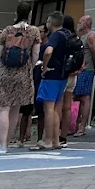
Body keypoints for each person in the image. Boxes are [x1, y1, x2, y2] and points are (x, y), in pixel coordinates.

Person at [0, 3, 41, 154]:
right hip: (23, 73)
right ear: (30, 14)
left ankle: (2, 145)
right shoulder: (34, 31)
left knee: (3, 108)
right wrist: (30, 67)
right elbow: (36, 54)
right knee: (15, 108)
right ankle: (8, 140)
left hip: (4, 72)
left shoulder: (7, 30)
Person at [34, 12, 68, 150]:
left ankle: (47, 140)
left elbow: (48, 51)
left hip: (52, 75)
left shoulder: (55, 36)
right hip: (62, 75)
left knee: (48, 108)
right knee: (55, 108)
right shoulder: (66, 35)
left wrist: (44, 66)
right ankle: (55, 140)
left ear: (50, 22)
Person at [72, 15, 95, 137]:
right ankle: (75, 124)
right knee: (76, 96)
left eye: (80, 22)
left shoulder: (91, 36)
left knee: (85, 97)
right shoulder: (83, 37)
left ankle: (82, 126)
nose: (78, 24)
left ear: (86, 24)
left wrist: (94, 67)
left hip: (86, 70)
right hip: (80, 70)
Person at [59, 14, 79, 144]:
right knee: (67, 107)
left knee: (57, 107)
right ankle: (63, 137)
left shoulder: (61, 37)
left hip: (62, 75)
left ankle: (55, 135)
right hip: (74, 75)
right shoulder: (76, 38)